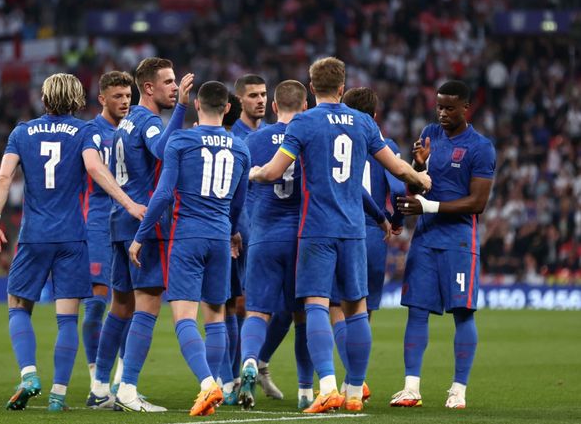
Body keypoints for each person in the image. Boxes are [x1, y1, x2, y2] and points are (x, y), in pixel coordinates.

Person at [249, 57, 431, 413]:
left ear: (312, 87)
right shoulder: (363, 123)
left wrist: (256, 173)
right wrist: (421, 179)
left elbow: (274, 171)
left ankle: (328, 386)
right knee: (357, 309)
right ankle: (352, 392)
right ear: (343, 87)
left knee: (317, 304)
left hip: (317, 228)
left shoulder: (303, 122)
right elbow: (394, 166)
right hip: (353, 230)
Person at [0, 73, 145, 412]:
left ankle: (29, 375)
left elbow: (3, 178)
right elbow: (96, 170)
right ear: (76, 100)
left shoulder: (21, 132)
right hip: (73, 236)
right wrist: (129, 203)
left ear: (44, 99)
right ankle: (58, 395)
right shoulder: (85, 131)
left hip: (34, 236)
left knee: (17, 306)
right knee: (67, 319)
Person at [129, 81, 251, 417]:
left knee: (184, 317)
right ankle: (218, 386)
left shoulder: (182, 140)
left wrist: (140, 236)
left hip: (187, 236)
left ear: (197, 105)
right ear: (228, 108)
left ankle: (206, 383)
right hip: (220, 236)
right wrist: (234, 233)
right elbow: (239, 203)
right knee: (215, 315)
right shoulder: (241, 148)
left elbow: (164, 194)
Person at [91, 57, 193, 412]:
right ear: (148, 88)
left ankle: (101, 387)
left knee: (121, 306)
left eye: (176, 81)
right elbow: (163, 149)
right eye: (168, 82)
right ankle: (129, 390)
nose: (175, 87)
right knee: (147, 306)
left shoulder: (126, 120)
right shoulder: (148, 121)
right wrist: (181, 110)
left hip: (118, 221)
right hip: (143, 224)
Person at [390, 80, 496, 410]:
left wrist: (429, 207)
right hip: (426, 239)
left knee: (462, 313)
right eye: (439, 106)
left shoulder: (481, 147)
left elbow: (477, 202)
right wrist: (419, 166)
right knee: (416, 311)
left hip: (459, 242)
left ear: (466, 108)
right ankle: (411, 388)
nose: (443, 113)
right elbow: (417, 186)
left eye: (450, 107)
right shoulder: (430, 135)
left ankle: (458, 389)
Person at [237, 80, 314, 410]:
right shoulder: (311, 136)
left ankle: (250, 362)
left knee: (256, 311)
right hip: (303, 236)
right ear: (306, 107)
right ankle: (307, 392)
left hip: (263, 235)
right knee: (304, 316)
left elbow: (239, 192)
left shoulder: (253, 140)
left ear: (273, 106)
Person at [329, 87, 407, 402]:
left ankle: (349, 382)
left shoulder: (329, 138)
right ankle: (354, 382)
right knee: (363, 311)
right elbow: (400, 188)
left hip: (336, 227)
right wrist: (395, 220)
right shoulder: (385, 145)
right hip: (373, 235)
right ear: (375, 116)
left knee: (335, 307)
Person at [81, 70, 134, 407]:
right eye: (118, 96)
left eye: (128, 96)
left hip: (131, 224)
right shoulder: (92, 131)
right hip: (100, 223)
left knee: (130, 303)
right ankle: (96, 383)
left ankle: (121, 382)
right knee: (98, 303)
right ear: (102, 98)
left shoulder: (135, 130)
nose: (125, 102)